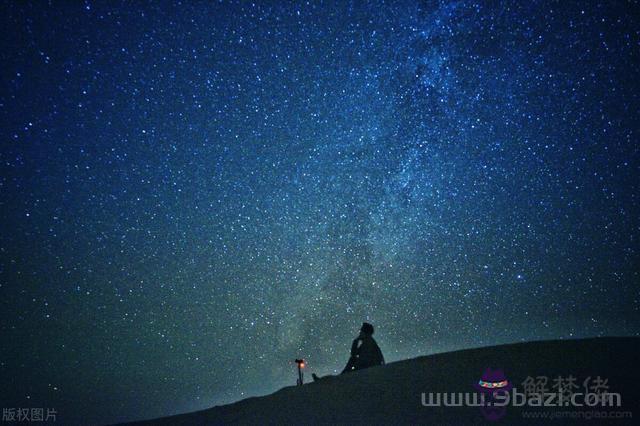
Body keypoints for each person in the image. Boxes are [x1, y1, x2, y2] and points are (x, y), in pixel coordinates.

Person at [313, 322, 384, 381]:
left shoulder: (368, 343)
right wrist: (355, 341)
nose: (360, 332)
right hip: (366, 368)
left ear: (365, 332)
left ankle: (336, 378)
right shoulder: (366, 342)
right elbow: (354, 354)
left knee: (351, 362)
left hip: (369, 370)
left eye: (361, 331)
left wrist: (353, 369)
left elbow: (364, 360)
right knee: (352, 360)